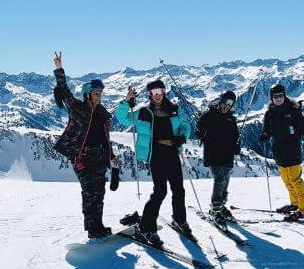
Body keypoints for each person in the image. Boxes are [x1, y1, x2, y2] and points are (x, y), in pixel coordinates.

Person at [116, 79, 192, 246]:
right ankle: (146, 227)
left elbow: (186, 125)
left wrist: (183, 136)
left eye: (159, 91)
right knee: (160, 192)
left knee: (179, 189)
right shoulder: (143, 112)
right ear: (149, 95)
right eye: (153, 92)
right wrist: (125, 102)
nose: (156, 95)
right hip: (156, 156)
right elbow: (123, 119)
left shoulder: (174, 110)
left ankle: (180, 219)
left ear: (164, 91)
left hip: (172, 154)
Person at [52, 51, 119, 238]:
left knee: (99, 192)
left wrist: (111, 156)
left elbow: (105, 138)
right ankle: (92, 229)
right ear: (87, 95)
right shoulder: (78, 108)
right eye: (95, 93)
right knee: (90, 192)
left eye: (100, 93)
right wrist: (59, 69)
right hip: (82, 157)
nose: (99, 96)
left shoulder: (103, 115)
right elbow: (65, 92)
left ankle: (98, 225)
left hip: (99, 156)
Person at [259, 83, 304, 222]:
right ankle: (295, 204)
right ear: (271, 97)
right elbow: (267, 130)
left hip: (292, 150)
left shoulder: (293, 110)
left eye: (281, 95)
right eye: (276, 96)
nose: (278, 98)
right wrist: (265, 135)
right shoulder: (269, 113)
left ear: (284, 95)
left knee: (296, 180)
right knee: (287, 181)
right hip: (279, 152)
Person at [196, 91, 240, 227]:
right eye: (225, 102)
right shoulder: (209, 115)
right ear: (220, 101)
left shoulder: (231, 120)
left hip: (227, 155)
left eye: (230, 104)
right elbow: (198, 129)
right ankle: (215, 210)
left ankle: (221, 206)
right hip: (213, 153)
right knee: (219, 179)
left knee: (226, 180)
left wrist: (237, 146)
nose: (226, 106)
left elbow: (235, 137)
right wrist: (200, 133)